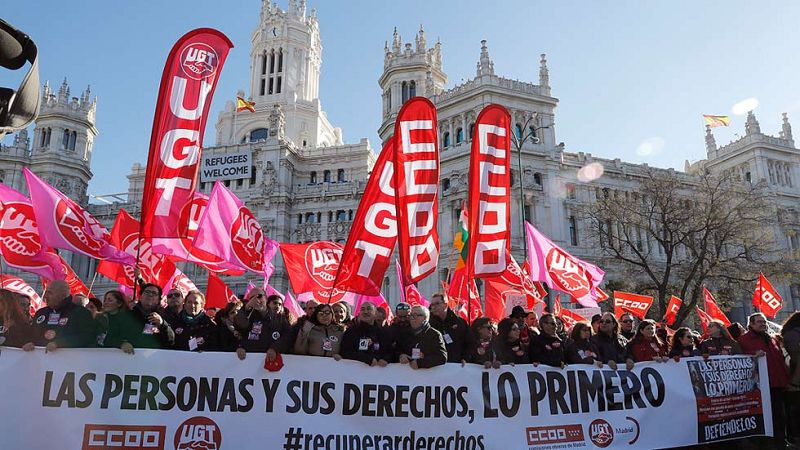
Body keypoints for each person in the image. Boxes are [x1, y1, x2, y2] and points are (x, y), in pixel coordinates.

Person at [739, 313, 790, 447]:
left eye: (764, 321)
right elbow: (739, 359)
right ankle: (769, 442)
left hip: (778, 383)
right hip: (761, 385)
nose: (763, 324)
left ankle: (781, 441)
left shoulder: (771, 338)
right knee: (768, 416)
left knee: (780, 414)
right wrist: (753, 356)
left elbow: (779, 360)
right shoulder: (744, 340)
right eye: (759, 322)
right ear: (751, 324)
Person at [31, 280, 97, 350]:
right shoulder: (41, 313)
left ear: (63, 295)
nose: (45, 296)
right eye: (45, 292)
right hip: (40, 359)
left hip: (69, 359)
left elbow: (86, 336)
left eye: (50, 293)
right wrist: (30, 342)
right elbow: (32, 334)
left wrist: (59, 343)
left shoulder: (81, 313)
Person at [233, 287, 291, 362]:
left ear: (266, 298)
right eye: (252, 298)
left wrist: (275, 348)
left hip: (271, 362)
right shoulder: (248, 316)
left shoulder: (278, 317)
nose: (256, 300)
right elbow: (239, 326)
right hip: (249, 360)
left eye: (259, 296)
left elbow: (288, 335)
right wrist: (246, 307)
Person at [398, 305, 447, 369]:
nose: (412, 318)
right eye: (411, 315)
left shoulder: (434, 334)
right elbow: (397, 350)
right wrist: (401, 355)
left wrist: (420, 363)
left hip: (427, 377)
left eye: (415, 315)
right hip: (408, 376)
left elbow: (441, 357)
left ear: (425, 318)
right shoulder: (405, 333)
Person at [130, 283, 175, 349]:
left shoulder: (166, 315)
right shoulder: (130, 314)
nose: (150, 295)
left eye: (154, 293)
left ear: (158, 300)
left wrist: (162, 324)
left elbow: (171, 341)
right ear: (140, 297)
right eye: (147, 292)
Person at [429, 293, 469, 364]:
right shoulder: (428, 324)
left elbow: (469, 343)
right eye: (432, 304)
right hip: (435, 367)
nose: (434, 307)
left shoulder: (460, 323)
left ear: (445, 305)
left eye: (437, 304)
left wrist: (465, 358)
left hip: (456, 366)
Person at [781, 312, 800, 446]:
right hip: (794, 379)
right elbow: (797, 359)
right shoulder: (794, 335)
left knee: (794, 410)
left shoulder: (790, 334)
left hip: (794, 380)